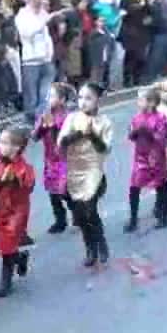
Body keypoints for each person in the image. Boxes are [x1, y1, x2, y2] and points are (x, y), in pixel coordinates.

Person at [57, 82, 112, 267]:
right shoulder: (72, 118)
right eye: (80, 98)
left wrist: (92, 135)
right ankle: (90, 246)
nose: (83, 102)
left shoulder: (104, 122)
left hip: (93, 172)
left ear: (97, 100)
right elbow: (61, 143)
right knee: (79, 215)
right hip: (74, 172)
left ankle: (100, 242)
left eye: (88, 98)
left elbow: (105, 148)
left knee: (90, 209)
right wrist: (78, 134)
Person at [0, 127, 35, 297]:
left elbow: (29, 185)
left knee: (8, 242)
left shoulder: (24, 167)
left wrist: (16, 179)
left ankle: (5, 281)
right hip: (2, 209)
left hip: (18, 212)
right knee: (4, 242)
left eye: (4, 143)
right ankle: (20, 256)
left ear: (16, 147)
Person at [14, 0, 70, 124]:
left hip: (46, 59)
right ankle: (30, 121)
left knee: (46, 93)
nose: (42, 0)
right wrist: (44, 22)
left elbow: (46, 36)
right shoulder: (22, 16)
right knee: (31, 96)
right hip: (31, 61)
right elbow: (26, 34)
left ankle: (41, 120)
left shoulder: (43, 13)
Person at [124, 87, 167, 232]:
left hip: (156, 159)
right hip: (140, 158)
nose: (138, 102)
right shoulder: (136, 118)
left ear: (151, 103)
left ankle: (163, 216)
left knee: (161, 186)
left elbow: (163, 139)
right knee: (134, 188)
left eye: (141, 99)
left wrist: (150, 133)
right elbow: (131, 136)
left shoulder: (161, 118)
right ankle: (133, 219)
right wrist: (134, 132)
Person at [31, 83, 75, 233]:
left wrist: (54, 126)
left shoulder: (68, 117)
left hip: (65, 160)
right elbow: (35, 136)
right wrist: (43, 126)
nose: (48, 99)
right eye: (48, 96)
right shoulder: (45, 115)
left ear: (62, 100)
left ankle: (78, 214)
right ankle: (60, 220)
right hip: (50, 161)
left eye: (52, 96)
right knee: (53, 192)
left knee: (65, 191)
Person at [119, 0, 152, 87]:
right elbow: (124, 14)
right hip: (130, 32)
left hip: (142, 31)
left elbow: (149, 13)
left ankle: (137, 78)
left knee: (140, 56)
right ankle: (127, 79)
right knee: (130, 56)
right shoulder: (125, 0)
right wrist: (139, 5)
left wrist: (149, 18)